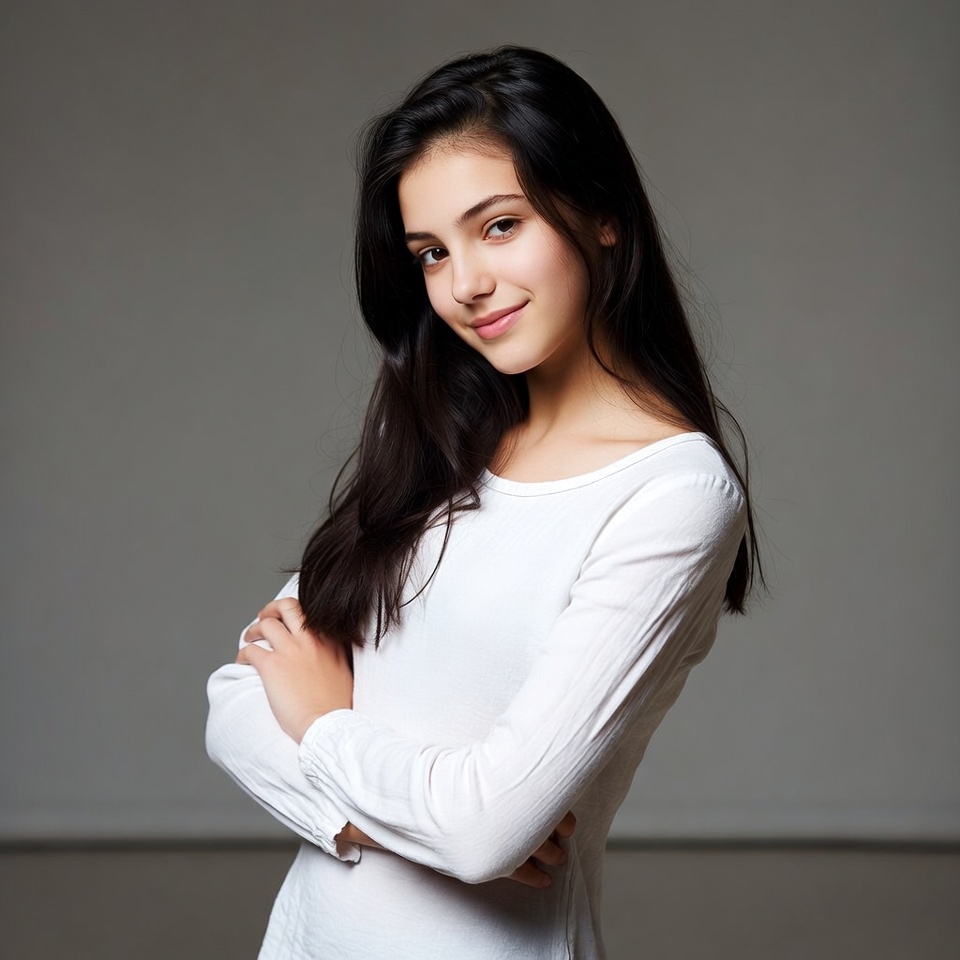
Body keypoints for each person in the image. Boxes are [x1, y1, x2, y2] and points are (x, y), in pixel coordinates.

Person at [206, 44, 760, 959]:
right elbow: (237, 693)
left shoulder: (673, 494)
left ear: (604, 215)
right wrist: (383, 823)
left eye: (498, 226)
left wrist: (321, 724)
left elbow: (486, 829)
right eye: (432, 251)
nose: (464, 283)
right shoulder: (440, 445)